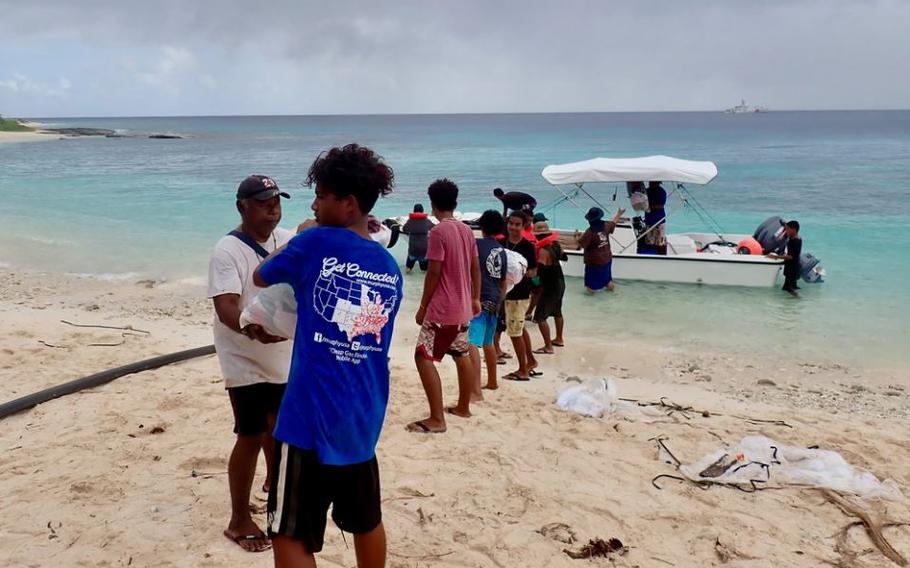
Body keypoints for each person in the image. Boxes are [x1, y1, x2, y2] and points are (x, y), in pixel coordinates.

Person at [253, 144, 402, 568]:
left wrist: (300, 234)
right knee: (365, 520)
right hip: (363, 415)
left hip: (307, 418)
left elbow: (260, 277)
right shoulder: (388, 265)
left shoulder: (314, 242)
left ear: (348, 203)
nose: (314, 204)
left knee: (290, 533)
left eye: (320, 196)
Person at [207, 174, 294, 553]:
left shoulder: (286, 240)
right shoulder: (227, 251)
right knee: (250, 433)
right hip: (243, 353)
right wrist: (252, 331)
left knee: (279, 429)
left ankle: (277, 495)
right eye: (263, 202)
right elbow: (226, 307)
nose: (273, 208)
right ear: (242, 206)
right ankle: (238, 518)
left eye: (276, 200)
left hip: (281, 353)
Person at [408, 179, 481, 433]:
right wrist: (475, 298)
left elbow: (434, 272)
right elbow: (475, 267)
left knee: (422, 356)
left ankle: (437, 419)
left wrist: (422, 306)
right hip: (462, 308)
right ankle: (463, 407)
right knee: (461, 353)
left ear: (433, 204)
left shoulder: (438, 232)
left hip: (443, 309)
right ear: (455, 202)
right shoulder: (466, 230)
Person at [468, 210, 507, 392]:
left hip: (480, 298)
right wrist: (501, 300)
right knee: (488, 343)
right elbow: (503, 280)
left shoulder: (476, 245)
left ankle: (474, 387)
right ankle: (492, 381)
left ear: (481, 227)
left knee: (472, 343)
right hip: (495, 298)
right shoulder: (501, 250)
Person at [497, 210, 539, 381]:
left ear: (524, 226)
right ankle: (531, 361)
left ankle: (522, 369)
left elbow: (533, 271)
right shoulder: (501, 242)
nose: (513, 227)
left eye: (517, 225)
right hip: (504, 292)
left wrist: (518, 271)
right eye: (511, 224)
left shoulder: (528, 247)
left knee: (515, 333)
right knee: (519, 329)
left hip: (519, 294)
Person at [532, 220, 566, 353]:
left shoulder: (542, 251)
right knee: (557, 312)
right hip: (560, 282)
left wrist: (533, 284)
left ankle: (548, 346)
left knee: (540, 317)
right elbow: (565, 258)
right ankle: (559, 338)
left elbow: (539, 273)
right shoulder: (556, 245)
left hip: (550, 286)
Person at [576, 206, 625, 293]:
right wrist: (619, 213)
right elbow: (614, 222)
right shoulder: (606, 225)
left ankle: (592, 303)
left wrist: (577, 236)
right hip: (607, 258)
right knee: (608, 281)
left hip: (594, 262)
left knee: (590, 287)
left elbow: (581, 244)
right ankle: (612, 295)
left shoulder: (589, 232)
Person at [770, 220, 802, 296]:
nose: (786, 231)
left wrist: (775, 257)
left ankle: (799, 301)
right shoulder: (794, 238)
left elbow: (791, 257)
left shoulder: (795, 241)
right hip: (793, 268)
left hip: (792, 270)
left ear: (793, 230)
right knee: (792, 288)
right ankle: (795, 305)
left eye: (787, 229)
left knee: (788, 289)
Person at [400, 203, 434, 273]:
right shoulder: (427, 221)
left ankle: (407, 279)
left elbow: (404, 229)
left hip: (413, 250)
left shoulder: (410, 221)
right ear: (422, 211)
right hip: (424, 251)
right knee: (424, 271)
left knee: (408, 268)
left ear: (414, 211)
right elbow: (435, 228)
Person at [643, 181, 667, 255]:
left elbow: (661, 205)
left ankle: (660, 256)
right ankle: (650, 254)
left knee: (659, 242)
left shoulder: (661, 192)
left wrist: (648, 207)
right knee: (649, 241)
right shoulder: (646, 191)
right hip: (650, 219)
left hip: (659, 220)